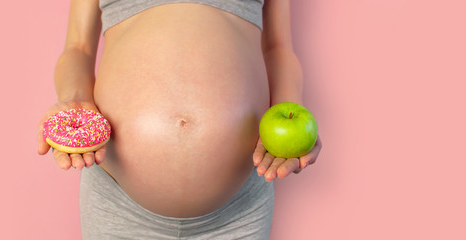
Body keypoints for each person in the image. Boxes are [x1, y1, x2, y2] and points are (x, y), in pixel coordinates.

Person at [37, 0, 323, 239]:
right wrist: (74, 101)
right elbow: (78, 47)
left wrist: (293, 115)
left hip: (240, 209)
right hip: (117, 203)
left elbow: (278, 47)